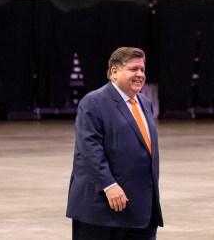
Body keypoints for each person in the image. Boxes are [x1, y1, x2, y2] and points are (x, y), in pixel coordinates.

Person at [67, 47, 163, 240]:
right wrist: (109, 185)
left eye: (142, 70)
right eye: (133, 69)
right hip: (102, 210)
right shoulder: (94, 102)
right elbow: (90, 149)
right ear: (114, 71)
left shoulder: (144, 102)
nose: (140, 75)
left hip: (141, 211)